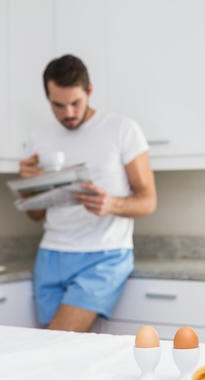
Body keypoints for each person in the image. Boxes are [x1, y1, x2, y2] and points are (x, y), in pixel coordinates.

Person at [19, 54, 157, 332]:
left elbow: (148, 201)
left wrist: (111, 204)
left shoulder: (122, 130)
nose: (68, 113)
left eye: (75, 103)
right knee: (51, 350)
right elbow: (35, 215)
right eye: (58, 105)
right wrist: (30, 185)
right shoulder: (38, 138)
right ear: (47, 97)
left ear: (89, 91)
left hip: (104, 255)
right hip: (51, 255)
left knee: (54, 342)